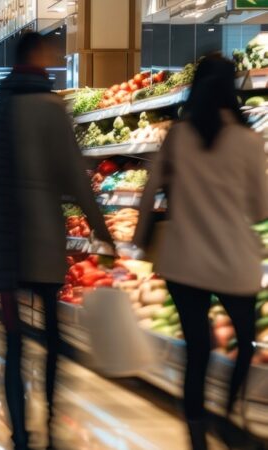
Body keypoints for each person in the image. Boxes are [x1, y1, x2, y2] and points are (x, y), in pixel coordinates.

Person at [0, 32, 115, 449]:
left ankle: (19, 430)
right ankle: (48, 424)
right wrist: (101, 230)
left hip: (7, 247)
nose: (54, 60)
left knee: (14, 342)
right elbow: (75, 176)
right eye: (50, 54)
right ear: (36, 56)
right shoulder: (53, 110)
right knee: (52, 338)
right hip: (47, 243)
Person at [133, 55, 268, 450]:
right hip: (232, 260)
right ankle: (228, 418)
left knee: (197, 352)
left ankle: (197, 437)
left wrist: (140, 242)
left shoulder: (178, 135)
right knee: (245, 341)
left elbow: (148, 195)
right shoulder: (247, 140)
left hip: (183, 259)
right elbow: (261, 208)